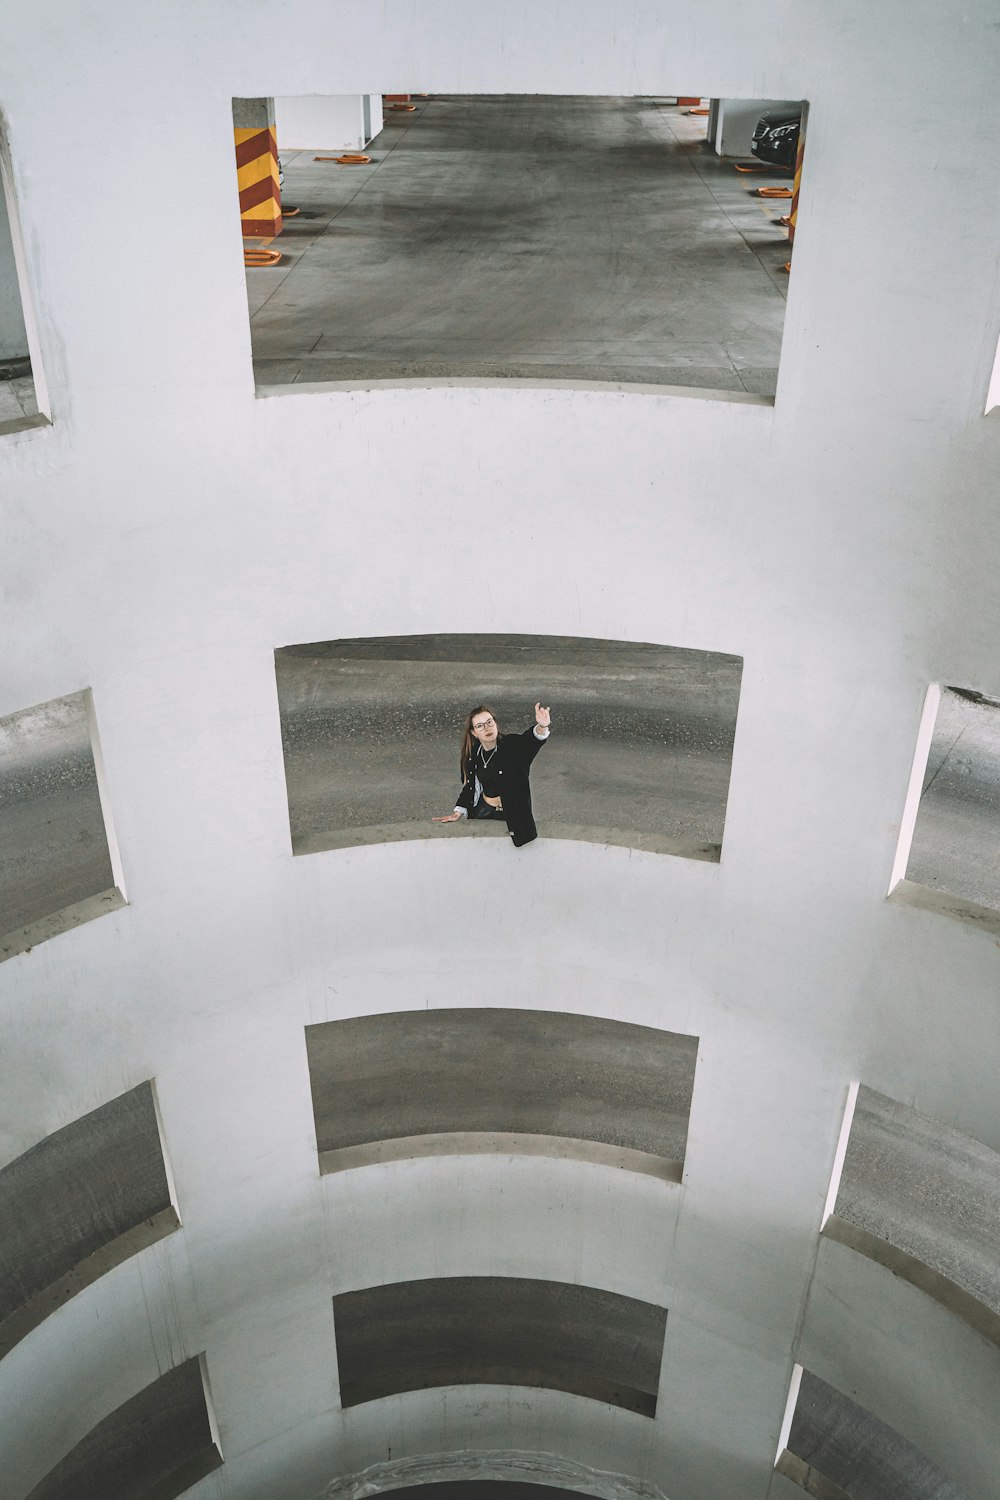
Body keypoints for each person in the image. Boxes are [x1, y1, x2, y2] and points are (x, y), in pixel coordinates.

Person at [432, 702, 551, 847]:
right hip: (483, 812)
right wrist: (459, 811)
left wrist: (542, 726)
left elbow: (530, 741)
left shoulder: (513, 745)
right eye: (480, 726)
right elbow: (472, 785)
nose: (487, 728)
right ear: (474, 732)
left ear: (495, 723)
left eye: (489, 722)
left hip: (512, 813)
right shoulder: (474, 753)